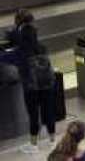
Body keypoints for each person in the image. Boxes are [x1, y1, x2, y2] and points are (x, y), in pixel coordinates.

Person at [15, 22, 56, 153]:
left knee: (33, 114)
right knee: (48, 110)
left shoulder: (21, 52)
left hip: (31, 88)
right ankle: (52, 140)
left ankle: (34, 145)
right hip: (47, 85)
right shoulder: (43, 47)